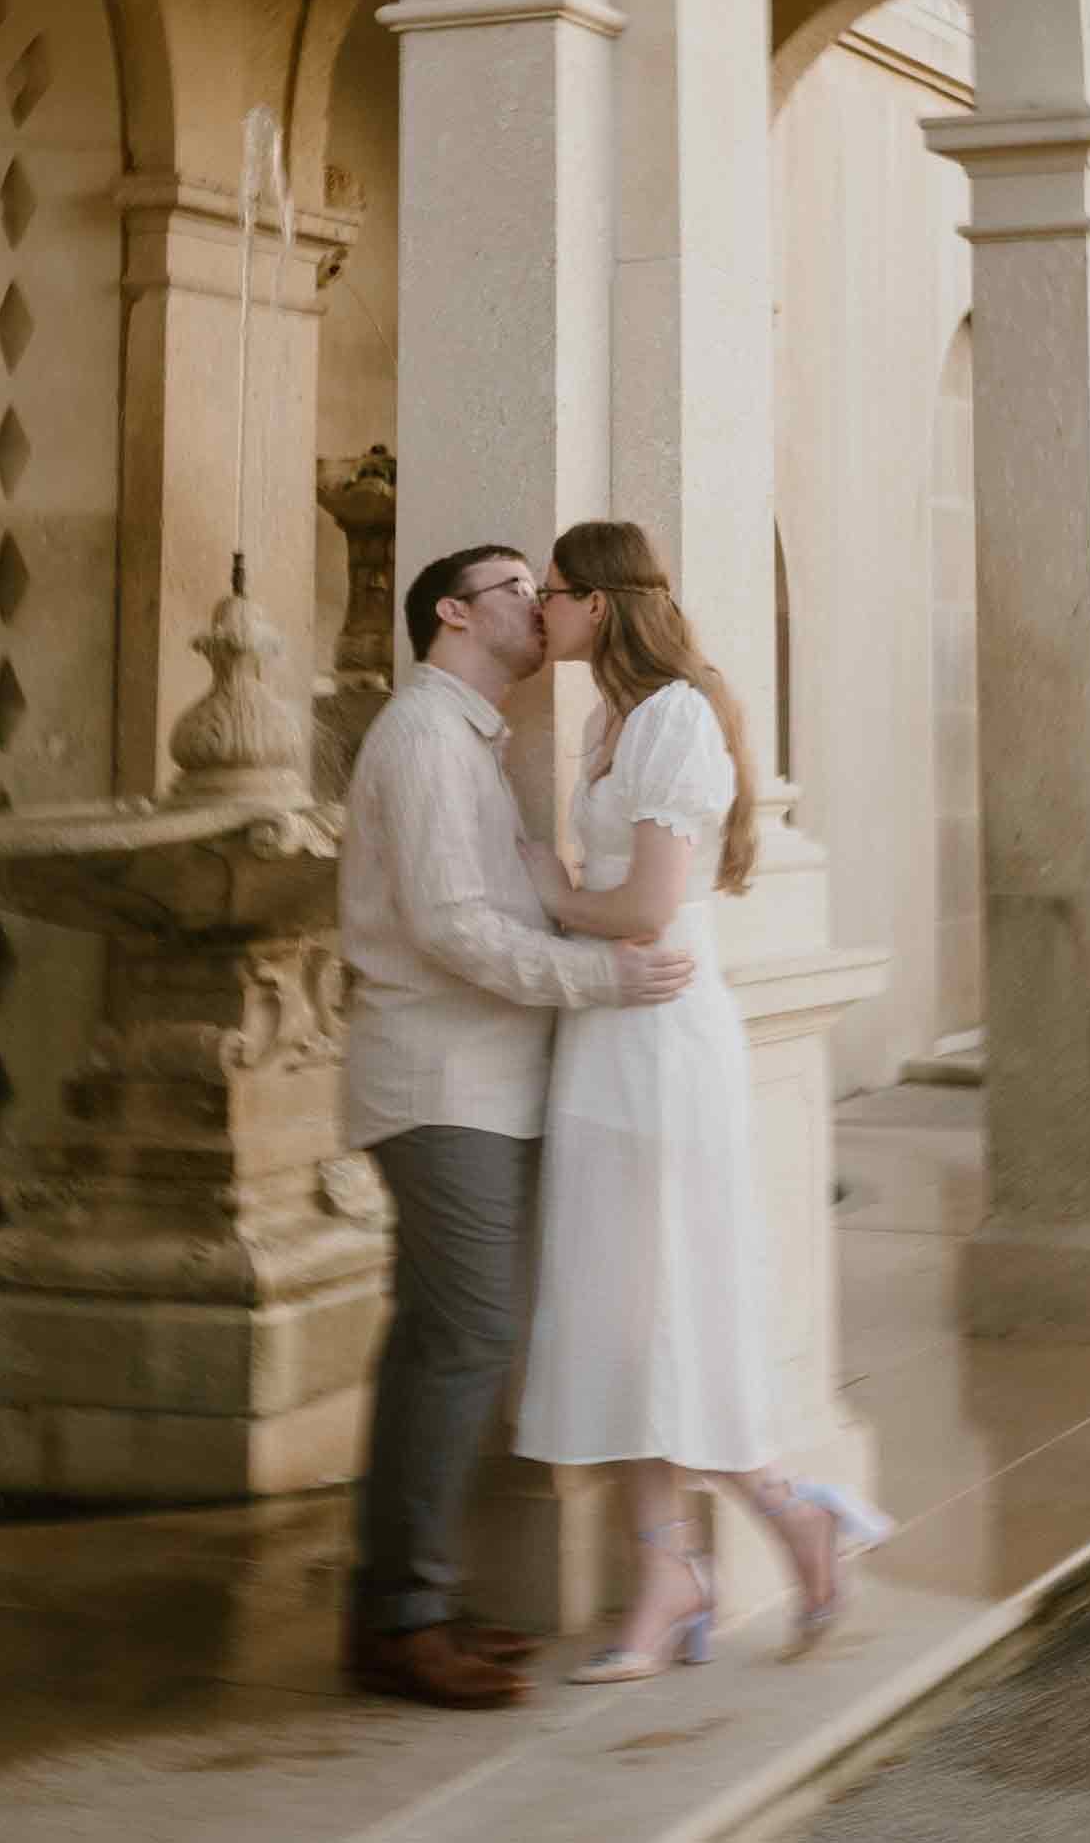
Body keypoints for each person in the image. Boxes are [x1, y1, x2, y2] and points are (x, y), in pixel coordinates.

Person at [513, 520, 891, 1678]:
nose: (541, 616)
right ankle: (670, 1566)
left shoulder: (675, 716)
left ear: (601, 605)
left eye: (555, 596)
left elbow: (643, 908)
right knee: (618, 1309)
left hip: (664, 1039)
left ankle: (783, 1512)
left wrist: (549, 886)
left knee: (672, 1302)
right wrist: (580, 898)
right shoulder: (604, 722)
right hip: (606, 1036)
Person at [339, 540, 697, 1711]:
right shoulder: (425, 738)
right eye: (513, 590)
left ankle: (407, 1601)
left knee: (445, 1342)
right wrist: (603, 980)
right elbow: (449, 928)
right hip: (442, 1086)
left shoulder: (469, 742)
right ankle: (402, 1618)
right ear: (452, 613)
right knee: (465, 1340)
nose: (537, 608)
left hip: (480, 1081)